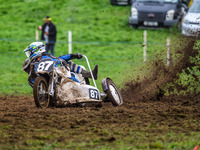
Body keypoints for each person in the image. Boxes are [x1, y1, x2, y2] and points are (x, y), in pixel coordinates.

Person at [22, 42, 98, 87]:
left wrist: (73, 55)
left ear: (37, 50)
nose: (29, 54)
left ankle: (87, 77)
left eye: (30, 52)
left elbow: (58, 59)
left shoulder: (47, 57)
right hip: (43, 82)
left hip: (55, 76)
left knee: (68, 67)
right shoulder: (32, 63)